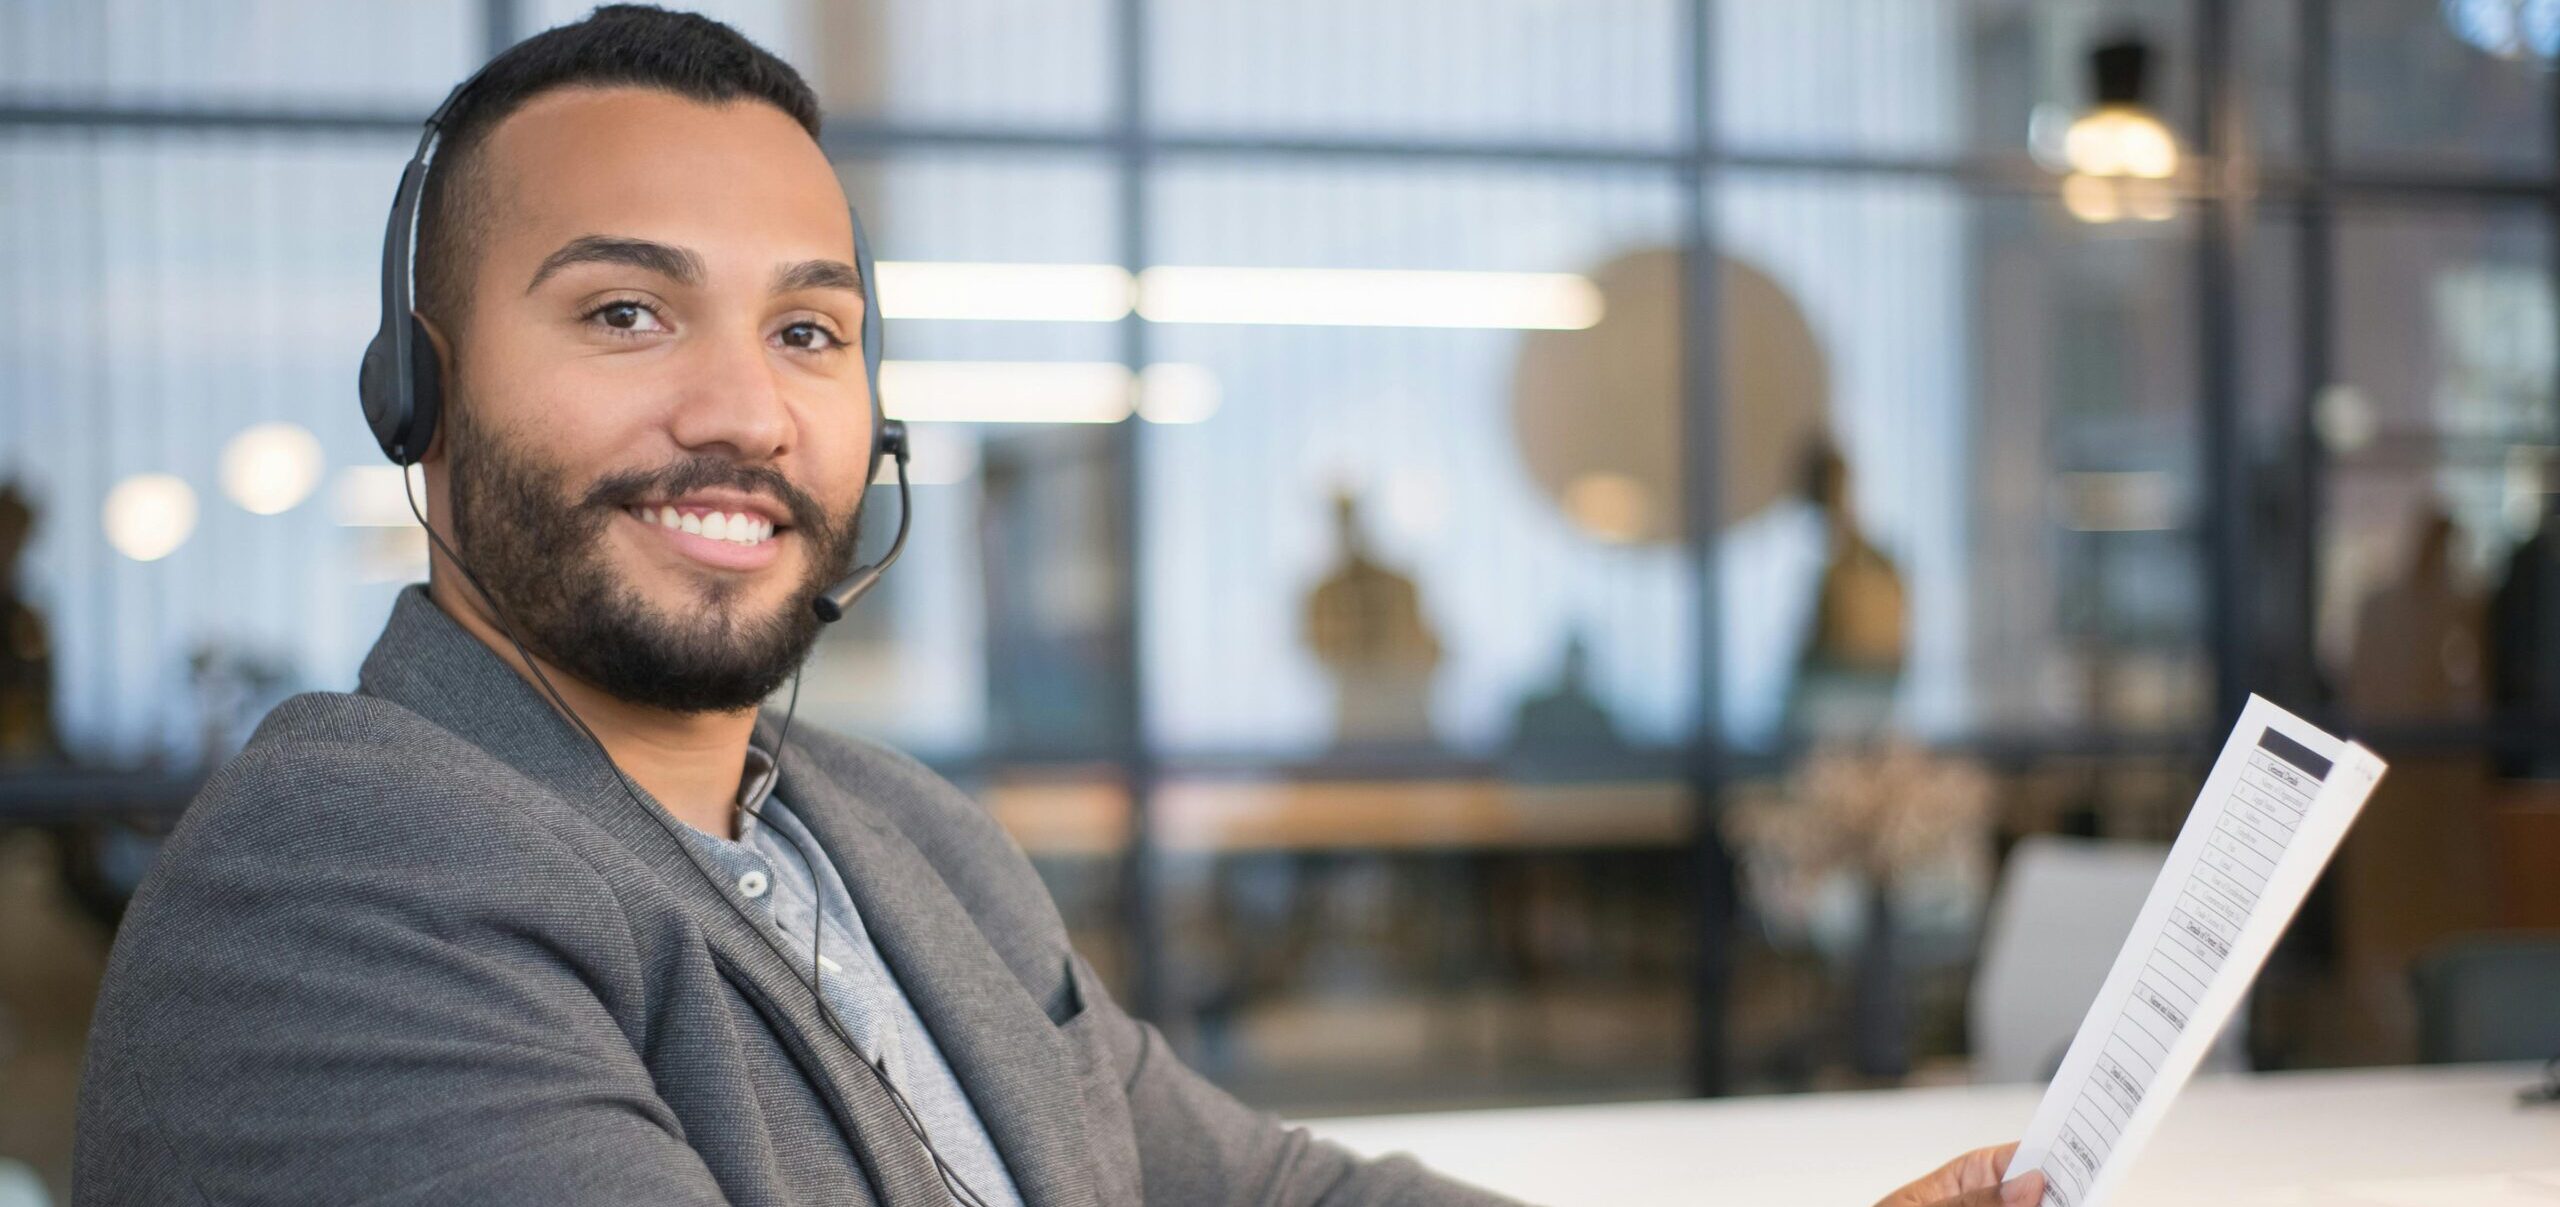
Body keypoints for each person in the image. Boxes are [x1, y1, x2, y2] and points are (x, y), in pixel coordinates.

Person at [70, 7, 2043, 1206]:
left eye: (810, 328)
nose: (743, 407)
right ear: (415, 395)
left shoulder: (888, 830)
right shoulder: (334, 893)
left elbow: (1258, 1193)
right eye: (620, 310)